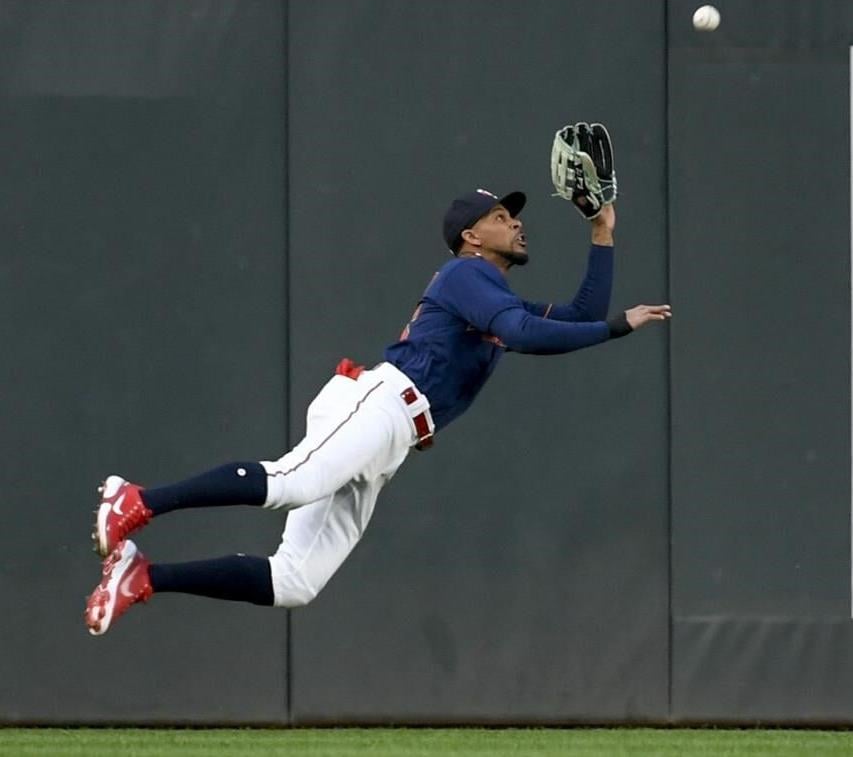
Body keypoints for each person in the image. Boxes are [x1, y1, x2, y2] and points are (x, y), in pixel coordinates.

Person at [84, 188, 671, 635]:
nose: (516, 222)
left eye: (514, 215)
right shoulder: (466, 274)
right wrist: (618, 328)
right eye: (500, 216)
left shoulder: (493, 291)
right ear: (471, 236)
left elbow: (577, 315)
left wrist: (602, 230)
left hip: (394, 437)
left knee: (294, 581)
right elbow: (526, 333)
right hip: (381, 403)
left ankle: (143, 576)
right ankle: (137, 499)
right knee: (292, 480)